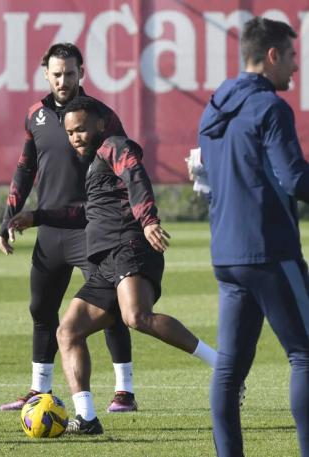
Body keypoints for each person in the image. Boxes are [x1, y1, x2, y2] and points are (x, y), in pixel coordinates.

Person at [9, 96, 219, 434]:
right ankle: (87, 418)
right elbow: (86, 213)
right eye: (70, 132)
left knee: (137, 316)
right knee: (68, 332)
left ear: (99, 124)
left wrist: (149, 220)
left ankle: (222, 366)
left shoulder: (116, 146)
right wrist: (37, 216)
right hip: (106, 258)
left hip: (130, 245)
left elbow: (136, 177)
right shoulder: (94, 165)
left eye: (81, 129)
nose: (76, 136)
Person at [0, 42, 137, 413]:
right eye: (57, 74)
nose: (63, 80)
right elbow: (26, 168)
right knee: (42, 308)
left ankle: (125, 390)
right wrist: (7, 217)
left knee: (107, 305)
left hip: (93, 228)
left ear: (82, 73)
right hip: (51, 230)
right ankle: (39, 389)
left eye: (70, 73)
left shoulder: (101, 116)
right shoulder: (35, 115)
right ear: (46, 73)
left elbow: (125, 164)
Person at [198, 17, 309, 456]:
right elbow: (296, 180)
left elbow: (204, 174)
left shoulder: (214, 106)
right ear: (272, 55)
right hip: (269, 249)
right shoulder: (270, 108)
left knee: (229, 368)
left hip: (226, 253)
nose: (296, 68)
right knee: (304, 354)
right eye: (293, 57)